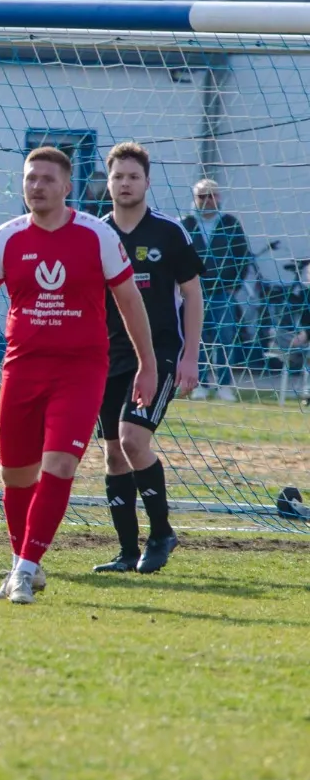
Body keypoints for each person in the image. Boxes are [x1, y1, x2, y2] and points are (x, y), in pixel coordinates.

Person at [0, 147, 157, 605]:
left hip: (80, 371)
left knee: (59, 465)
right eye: (30, 178)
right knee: (16, 476)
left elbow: (129, 300)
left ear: (67, 187)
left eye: (47, 179)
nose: (37, 186)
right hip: (22, 370)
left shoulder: (96, 235)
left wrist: (147, 363)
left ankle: (21, 571)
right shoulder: (6, 237)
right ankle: (26, 564)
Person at [91, 142, 204, 576]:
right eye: (118, 176)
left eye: (133, 177)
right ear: (108, 182)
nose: (125, 184)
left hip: (159, 355)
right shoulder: (96, 233)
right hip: (108, 357)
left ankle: (161, 535)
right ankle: (125, 551)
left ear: (147, 182)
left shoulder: (169, 232)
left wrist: (190, 356)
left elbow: (192, 294)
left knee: (133, 440)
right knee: (114, 455)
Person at [182, 178, 251, 401]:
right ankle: (199, 384)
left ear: (218, 197)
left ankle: (224, 385)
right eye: (202, 196)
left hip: (223, 292)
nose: (207, 200)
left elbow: (243, 256)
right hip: (193, 293)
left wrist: (234, 287)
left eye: (211, 195)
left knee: (225, 338)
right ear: (195, 199)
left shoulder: (230, 224)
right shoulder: (185, 224)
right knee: (197, 339)